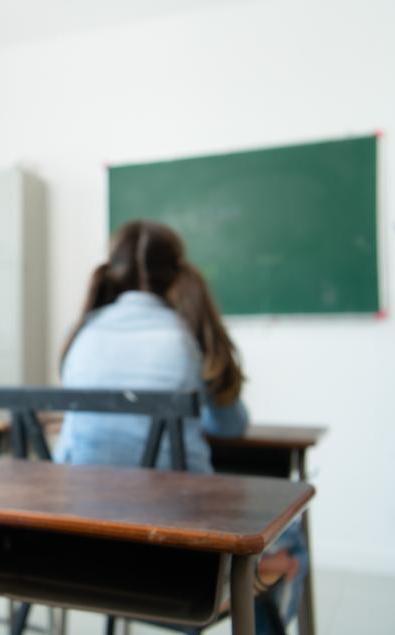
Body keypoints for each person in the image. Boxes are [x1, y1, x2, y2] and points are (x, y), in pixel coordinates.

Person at [54, 219, 307, 633]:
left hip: (81, 549)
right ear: (177, 272)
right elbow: (230, 427)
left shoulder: (80, 332)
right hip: (181, 557)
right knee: (291, 538)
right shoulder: (187, 334)